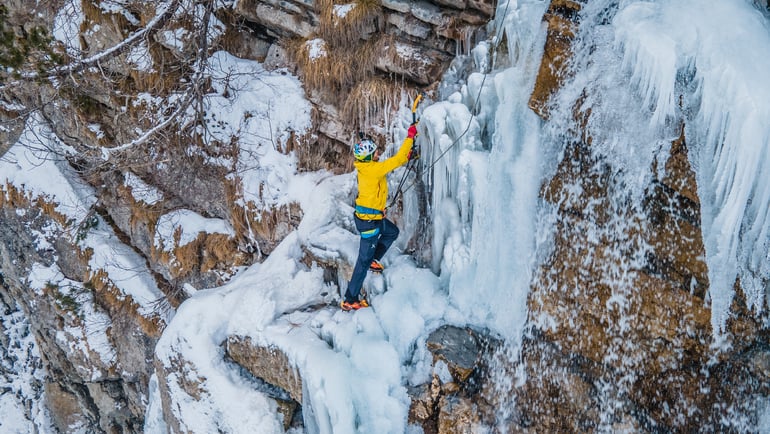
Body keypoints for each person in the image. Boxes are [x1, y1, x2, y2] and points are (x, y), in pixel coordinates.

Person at [341, 124, 419, 311]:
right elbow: (397, 159)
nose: (378, 155)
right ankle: (350, 299)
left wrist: (378, 210)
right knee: (362, 263)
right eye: (375, 153)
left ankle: (374, 259)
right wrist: (410, 137)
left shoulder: (368, 167)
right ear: (369, 157)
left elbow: (379, 181)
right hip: (368, 223)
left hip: (372, 217)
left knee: (391, 232)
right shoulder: (373, 170)